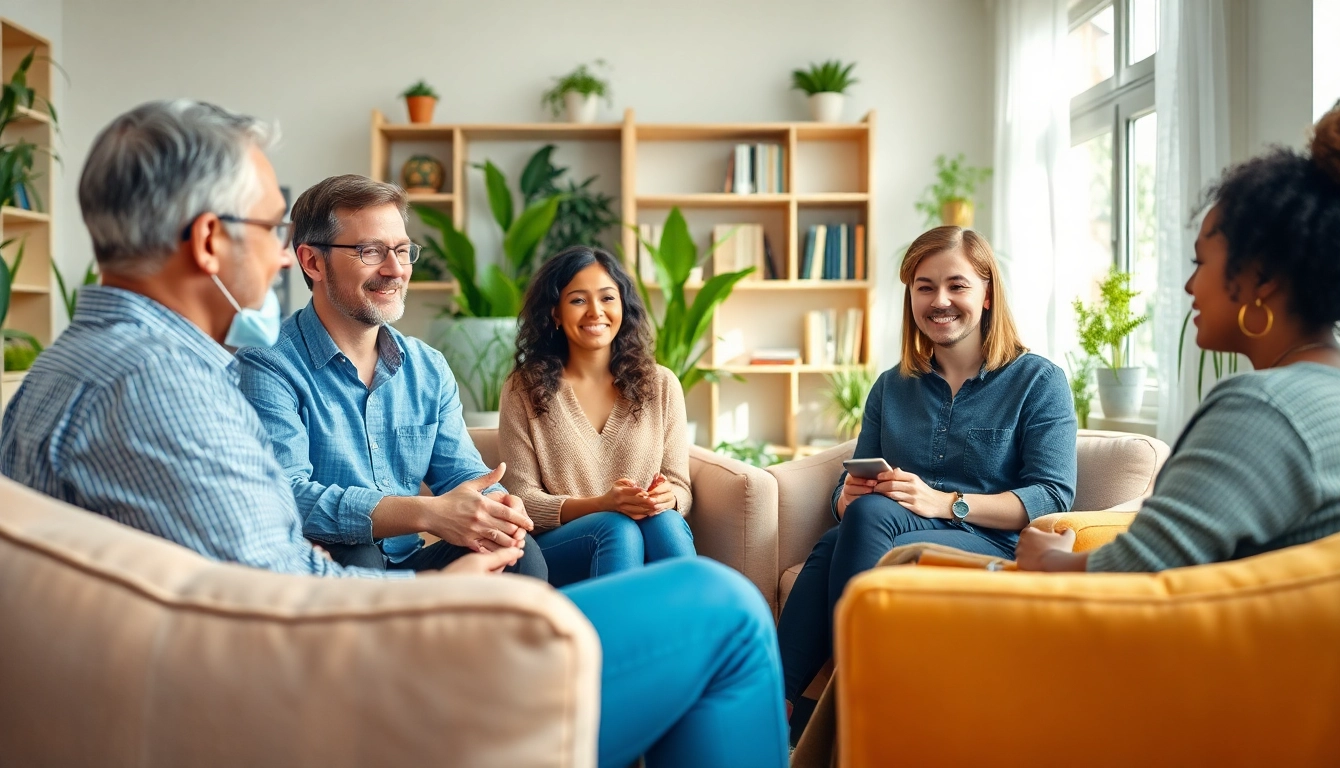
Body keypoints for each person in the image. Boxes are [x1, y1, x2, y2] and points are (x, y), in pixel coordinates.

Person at [0, 101, 788, 768]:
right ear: (209, 241)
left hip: (251, 676)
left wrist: (478, 529)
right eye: (271, 228)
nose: (280, 257)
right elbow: (283, 608)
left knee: (635, 590)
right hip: (325, 706)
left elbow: (258, 574)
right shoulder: (164, 387)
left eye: (401, 249)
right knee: (721, 609)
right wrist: (437, 594)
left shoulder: (78, 367)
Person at [1017, 103, 1340, 574]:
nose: (1190, 286)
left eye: (1200, 263)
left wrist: (1048, 559)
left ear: (1261, 277)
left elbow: (1138, 576)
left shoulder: (1263, 410)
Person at [775, 226, 1077, 727]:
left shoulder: (1038, 381)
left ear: (987, 295)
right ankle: (781, 710)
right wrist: (846, 498)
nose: (940, 301)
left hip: (995, 542)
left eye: (957, 286)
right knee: (843, 530)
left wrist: (946, 502)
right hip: (894, 528)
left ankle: (844, 704)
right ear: (911, 297)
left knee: (862, 523)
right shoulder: (891, 387)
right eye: (925, 287)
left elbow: (1052, 496)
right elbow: (855, 481)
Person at [235, 175, 545, 579]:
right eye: (370, 251)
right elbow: (287, 494)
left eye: (401, 250)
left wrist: (498, 505)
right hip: (326, 567)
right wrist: (426, 513)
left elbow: (463, 474)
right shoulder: (267, 364)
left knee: (519, 552)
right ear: (312, 262)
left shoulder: (428, 367)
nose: (396, 269)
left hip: (411, 558)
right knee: (357, 551)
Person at [498, 246, 696, 586]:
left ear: (623, 306)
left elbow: (681, 485)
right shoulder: (523, 388)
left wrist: (669, 497)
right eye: (578, 300)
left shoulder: (661, 385)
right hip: (560, 548)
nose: (595, 312)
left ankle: (699, 618)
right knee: (617, 527)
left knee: (665, 520)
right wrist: (602, 504)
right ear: (555, 312)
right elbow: (522, 498)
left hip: (647, 534)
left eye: (607, 298)